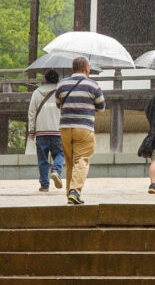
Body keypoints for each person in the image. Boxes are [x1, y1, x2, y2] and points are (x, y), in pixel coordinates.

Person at [55, 57, 105, 205]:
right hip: (84, 128)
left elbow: (58, 104)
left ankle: (70, 194)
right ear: (87, 68)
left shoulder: (62, 84)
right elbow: (101, 107)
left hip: (65, 128)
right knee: (81, 160)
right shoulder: (93, 85)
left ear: (72, 69)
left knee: (70, 162)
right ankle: (75, 192)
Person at [27, 69, 64, 192]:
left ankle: (44, 185)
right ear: (57, 80)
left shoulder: (36, 92)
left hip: (41, 131)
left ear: (45, 79)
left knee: (42, 159)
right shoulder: (61, 92)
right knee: (60, 153)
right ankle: (56, 170)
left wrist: (31, 131)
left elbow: (31, 113)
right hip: (57, 130)